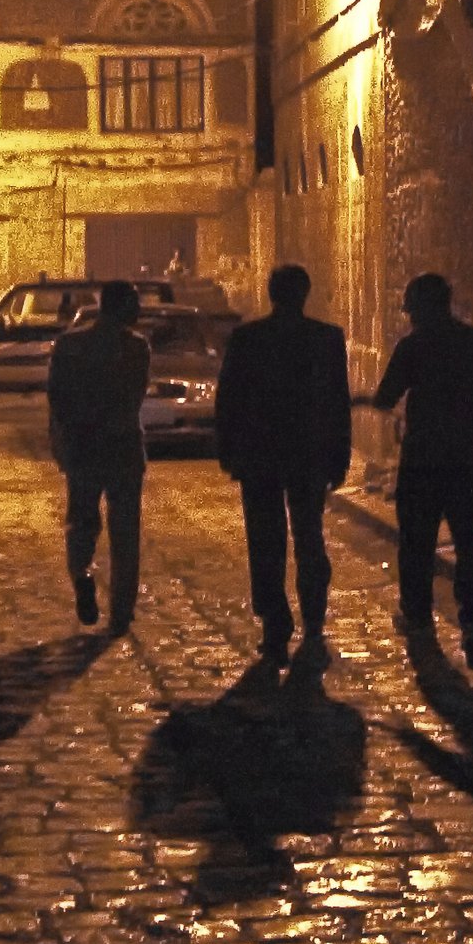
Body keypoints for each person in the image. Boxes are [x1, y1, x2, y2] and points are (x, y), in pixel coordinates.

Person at [213, 262, 353, 666]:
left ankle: (275, 623)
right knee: (310, 537)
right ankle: (313, 620)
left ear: (271, 293)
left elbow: (229, 400)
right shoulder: (326, 339)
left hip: (259, 455)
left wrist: (228, 450)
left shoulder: (247, 338)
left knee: (265, 540)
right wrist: (339, 455)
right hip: (308, 454)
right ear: (305, 293)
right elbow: (336, 404)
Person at [370, 272, 473, 658]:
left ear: (420, 309)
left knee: (417, 542)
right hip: (466, 456)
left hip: (423, 459)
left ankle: (417, 616)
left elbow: (386, 396)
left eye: (412, 310)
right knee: (470, 542)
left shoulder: (413, 347)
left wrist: (372, 402)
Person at [47, 281, 149, 632]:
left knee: (81, 520)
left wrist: (63, 442)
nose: (139, 311)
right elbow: (134, 397)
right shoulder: (136, 349)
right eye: (134, 304)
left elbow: (57, 400)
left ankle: (82, 575)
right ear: (121, 308)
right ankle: (121, 610)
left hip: (84, 444)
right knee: (125, 531)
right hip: (122, 445)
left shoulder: (69, 345)